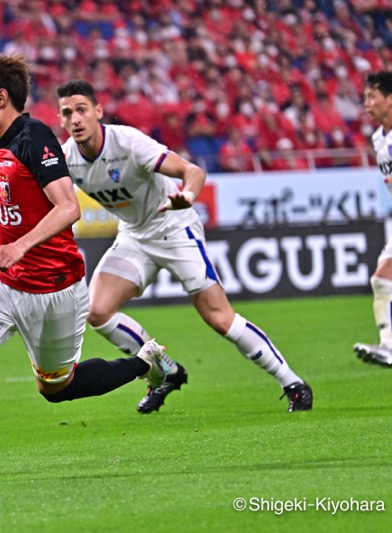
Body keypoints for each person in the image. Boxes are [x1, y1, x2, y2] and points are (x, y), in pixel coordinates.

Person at [0, 47, 171, 469]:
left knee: (58, 388)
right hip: (3, 281)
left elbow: (67, 208)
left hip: (54, 288)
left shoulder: (33, 137)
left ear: (0, 99)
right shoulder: (0, 140)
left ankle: (143, 362)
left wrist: (19, 246)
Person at [55, 79, 314, 413]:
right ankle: (165, 371)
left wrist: (188, 196)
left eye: (81, 110)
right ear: (60, 121)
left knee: (219, 318)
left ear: (98, 112)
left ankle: (293, 382)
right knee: (98, 311)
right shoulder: (66, 159)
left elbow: (192, 171)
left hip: (174, 227)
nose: (75, 119)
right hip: (135, 234)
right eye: (67, 113)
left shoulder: (128, 142)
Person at [353, 72, 392, 367]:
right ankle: (388, 345)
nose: (366, 104)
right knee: (381, 279)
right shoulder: (379, 138)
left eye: (372, 96)